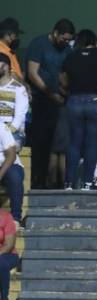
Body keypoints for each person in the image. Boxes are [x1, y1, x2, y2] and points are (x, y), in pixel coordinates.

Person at [27, 18, 75, 188]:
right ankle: (37, 180)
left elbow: (68, 74)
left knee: (56, 144)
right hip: (40, 99)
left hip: (60, 101)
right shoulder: (38, 44)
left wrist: (63, 93)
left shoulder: (68, 50)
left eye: (69, 40)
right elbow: (32, 73)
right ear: (55, 33)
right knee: (40, 141)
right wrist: (49, 93)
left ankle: (53, 181)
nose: (66, 42)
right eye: (63, 38)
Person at [60, 29, 97, 189]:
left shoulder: (71, 56)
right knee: (92, 143)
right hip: (94, 101)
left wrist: (69, 91)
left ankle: (69, 182)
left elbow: (62, 79)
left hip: (74, 100)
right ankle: (88, 183)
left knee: (74, 143)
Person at [0, 51, 29, 146]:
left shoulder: (19, 89)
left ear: (6, 67)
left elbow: (19, 118)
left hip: (12, 132)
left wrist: (4, 134)